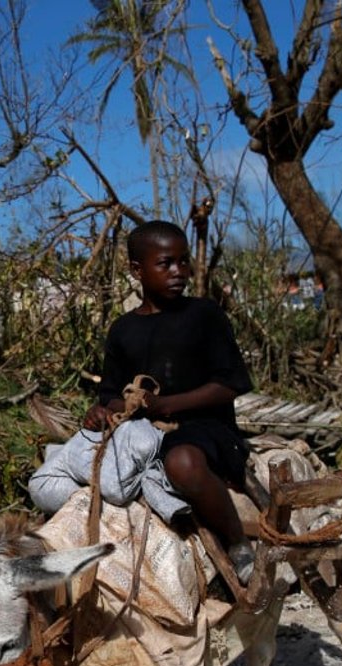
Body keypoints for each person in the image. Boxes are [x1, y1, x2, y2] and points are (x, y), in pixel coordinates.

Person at [82, 220, 257, 581]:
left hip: (208, 430)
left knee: (182, 463)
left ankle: (238, 542)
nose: (179, 272)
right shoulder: (123, 330)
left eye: (183, 261)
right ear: (136, 270)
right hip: (145, 436)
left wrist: (168, 405)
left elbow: (231, 383)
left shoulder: (204, 315)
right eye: (166, 263)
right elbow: (112, 395)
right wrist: (103, 410)